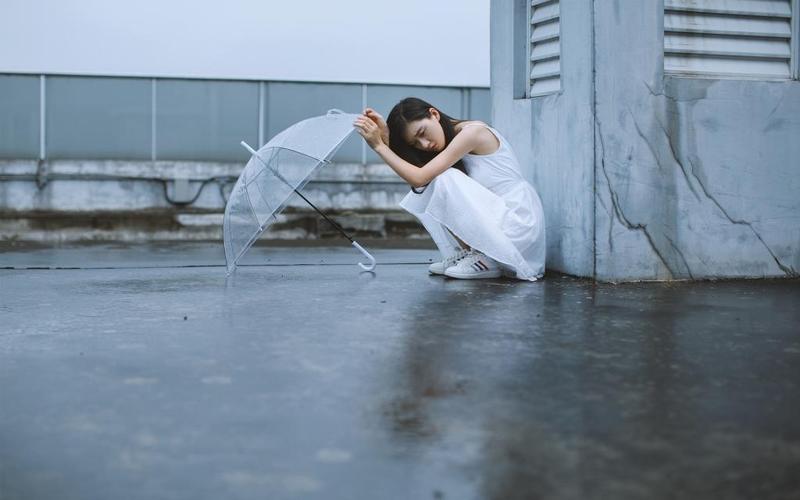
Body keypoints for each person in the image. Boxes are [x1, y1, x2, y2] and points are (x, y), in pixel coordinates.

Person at [353, 97, 545, 281]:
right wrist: (387, 139)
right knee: (434, 185)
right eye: (415, 144)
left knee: (444, 178)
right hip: (500, 218)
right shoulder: (448, 140)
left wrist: (379, 146)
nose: (425, 144)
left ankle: (486, 259)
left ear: (434, 114)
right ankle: (473, 254)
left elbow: (419, 177)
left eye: (422, 133)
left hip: (518, 223)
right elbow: (420, 180)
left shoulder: (472, 133)